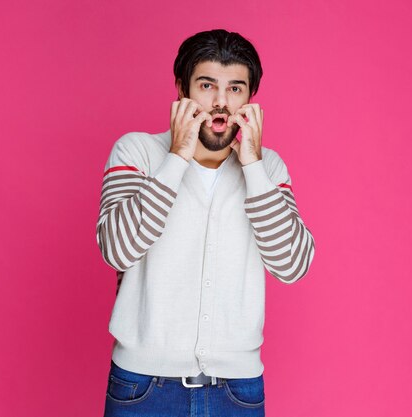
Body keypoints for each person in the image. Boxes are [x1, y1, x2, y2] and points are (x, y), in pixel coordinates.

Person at [96, 28, 316, 417]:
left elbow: (292, 266)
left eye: (235, 89)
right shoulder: (138, 152)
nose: (220, 102)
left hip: (238, 391)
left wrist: (253, 165)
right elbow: (117, 249)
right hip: (142, 388)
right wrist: (177, 155)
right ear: (181, 88)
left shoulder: (268, 169)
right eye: (206, 85)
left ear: (250, 99)